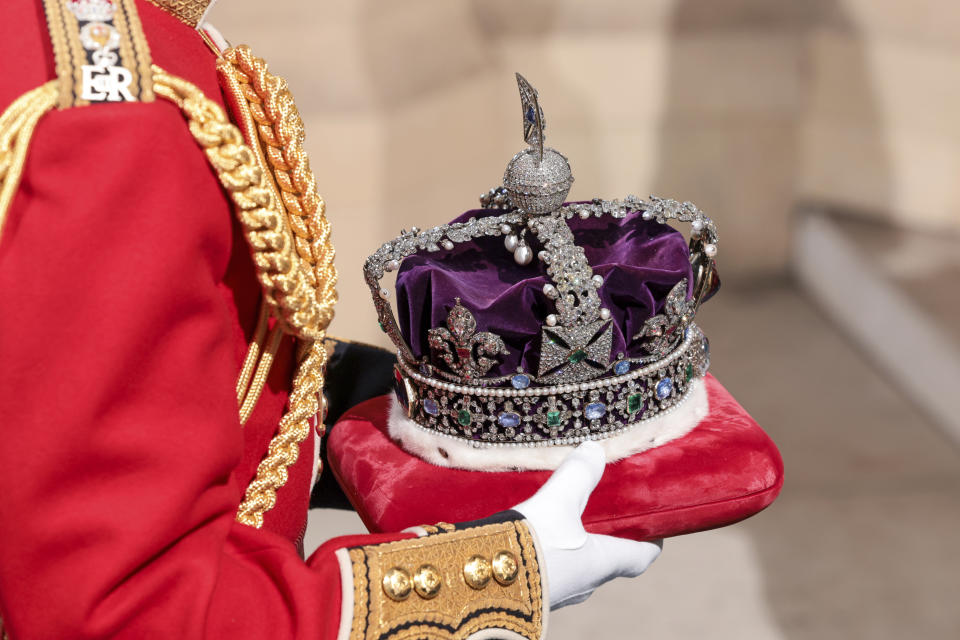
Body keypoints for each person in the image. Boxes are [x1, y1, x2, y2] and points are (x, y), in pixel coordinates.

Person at [0, 2, 660, 638]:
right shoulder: (102, 113)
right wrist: (493, 578)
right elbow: (131, 615)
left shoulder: (114, 42)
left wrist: (364, 406)